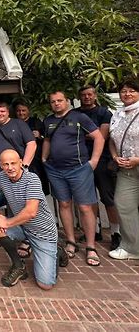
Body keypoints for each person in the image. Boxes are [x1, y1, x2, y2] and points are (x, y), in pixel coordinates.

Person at [0, 150, 66, 289]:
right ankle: (18, 266)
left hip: (43, 233)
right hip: (23, 227)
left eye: (13, 163)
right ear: (1, 165)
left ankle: (57, 251)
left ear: (21, 162)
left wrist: (7, 222)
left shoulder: (32, 179)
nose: (10, 167)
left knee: (45, 284)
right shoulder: (1, 177)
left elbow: (30, 212)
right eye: (6, 164)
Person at [42, 91, 104, 266]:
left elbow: (98, 137)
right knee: (64, 204)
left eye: (60, 100)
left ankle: (91, 247)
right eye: (53, 101)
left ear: (67, 101)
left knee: (84, 207)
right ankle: (70, 241)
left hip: (79, 169)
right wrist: (44, 159)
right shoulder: (48, 121)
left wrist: (94, 161)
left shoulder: (79, 117)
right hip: (55, 169)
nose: (56, 104)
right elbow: (47, 140)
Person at [0, 101, 36, 249]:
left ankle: (26, 240)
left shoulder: (19, 124)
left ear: (8, 112)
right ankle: (0, 234)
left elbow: (31, 144)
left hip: (17, 173)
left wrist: (24, 165)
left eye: (2, 111)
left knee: (19, 206)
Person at [76, 86, 121, 250]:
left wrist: (81, 134)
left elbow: (101, 136)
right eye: (83, 95)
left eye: (89, 94)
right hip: (81, 161)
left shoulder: (104, 113)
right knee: (87, 199)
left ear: (95, 96)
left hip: (102, 161)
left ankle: (116, 233)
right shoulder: (75, 113)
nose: (87, 97)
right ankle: (94, 231)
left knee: (108, 198)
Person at [108, 78, 139, 260]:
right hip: (126, 169)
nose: (127, 94)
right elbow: (113, 140)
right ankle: (133, 247)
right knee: (123, 204)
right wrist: (114, 156)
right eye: (124, 91)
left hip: (136, 162)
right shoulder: (118, 114)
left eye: (132, 90)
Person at [14, 101, 50, 195]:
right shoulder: (13, 123)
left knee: (38, 188)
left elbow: (47, 138)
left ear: (28, 111)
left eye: (23, 110)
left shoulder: (36, 122)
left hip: (36, 160)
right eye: (18, 111)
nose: (21, 113)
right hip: (19, 159)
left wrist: (39, 136)